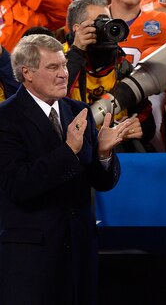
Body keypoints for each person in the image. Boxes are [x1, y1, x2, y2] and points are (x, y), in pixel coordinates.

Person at [0, 34, 135, 304]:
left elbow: (101, 182)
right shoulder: (6, 118)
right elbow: (18, 185)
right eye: (53, 67)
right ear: (27, 72)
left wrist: (103, 154)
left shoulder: (78, 110)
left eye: (63, 65)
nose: (63, 74)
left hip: (79, 253)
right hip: (31, 258)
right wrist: (67, 151)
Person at [65, 0, 153, 152]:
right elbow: (50, 103)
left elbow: (147, 119)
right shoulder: (57, 59)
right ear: (77, 29)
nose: (105, 28)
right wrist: (77, 52)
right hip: (73, 149)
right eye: (99, 22)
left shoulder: (121, 64)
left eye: (108, 21)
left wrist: (138, 127)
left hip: (115, 151)